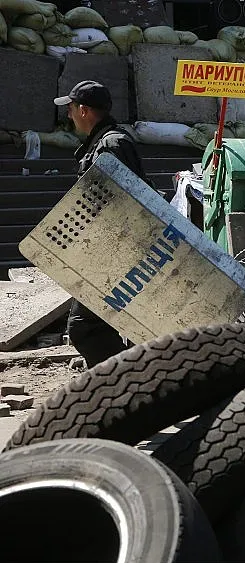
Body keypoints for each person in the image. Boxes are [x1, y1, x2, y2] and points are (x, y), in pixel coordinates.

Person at [53, 80, 149, 367]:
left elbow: (130, 200)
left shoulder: (112, 144)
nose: (68, 115)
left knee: (85, 328)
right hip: (107, 249)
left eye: (70, 109)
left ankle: (124, 384)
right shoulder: (103, 142)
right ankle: (130, 382)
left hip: (118, 251)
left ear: (83, 110)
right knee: (109, 326)